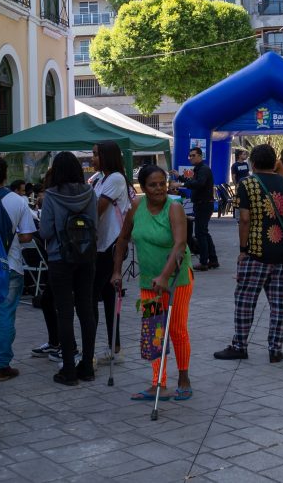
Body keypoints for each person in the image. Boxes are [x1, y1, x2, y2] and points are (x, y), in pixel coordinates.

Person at [113, 164, 193, 400]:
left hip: (176, 279)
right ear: (143, 187)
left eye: (162, 183)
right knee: (155, 331)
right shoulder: (136, 206)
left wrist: (165, 276)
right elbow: (123, 239)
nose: (159, 189)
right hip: (150, 281)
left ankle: (184, 377)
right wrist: (116, 271)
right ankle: (158, 382)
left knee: (176, 329)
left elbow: (180, 244)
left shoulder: (174, 207)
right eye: (153, 185)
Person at [213, 145, 283, 363]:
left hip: (255, 252)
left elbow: (245, 219)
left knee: (245, 301)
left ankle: (240, 345)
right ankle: (275, 348)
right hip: (281, 254)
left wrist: (242, 250)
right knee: (279, 304)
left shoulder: (246, 184)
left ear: (253, 164)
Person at [38, 151, 98, 385]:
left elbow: (45, 231)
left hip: (59, 258)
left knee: (64, 311)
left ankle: (69, 370)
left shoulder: (51, 196)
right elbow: (95, 225)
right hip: (86, 257)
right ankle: (88, 366)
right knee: (86, 309)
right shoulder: (90, 193)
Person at [0, 156, 35, 382]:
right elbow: (26, 235)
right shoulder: (18, 200)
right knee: (6, 315)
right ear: (5, 176)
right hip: (10, 264)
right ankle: (3, 365)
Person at [89, 141, 130, 363]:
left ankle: (93, 351)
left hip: (112, 245)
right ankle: (114, 348)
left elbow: (98, 208)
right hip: (102, 244)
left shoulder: (115, 178)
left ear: (106, 156)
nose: (92, 158)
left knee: (95, 295)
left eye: (95, 154)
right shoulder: (100, 179)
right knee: (107, 296)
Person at [178, 147, 217, 271]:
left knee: (201, 233)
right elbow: (193, 182)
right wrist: (179, 177)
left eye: (193, 155)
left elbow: (199, 183)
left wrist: (181, 184)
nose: (190, 158)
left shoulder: (204, 169)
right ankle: (213, 260)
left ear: (200, 156)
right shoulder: (199, 169)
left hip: (204, 204)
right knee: (204, 232)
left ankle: (204, 262)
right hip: (201, 204)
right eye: (189, 156)